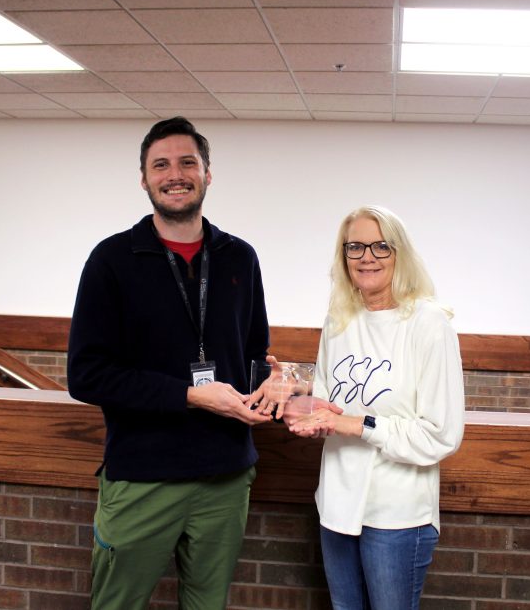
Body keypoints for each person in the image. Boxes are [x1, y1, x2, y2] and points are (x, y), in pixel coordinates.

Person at [67, 116, 272, 609]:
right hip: (143, 477)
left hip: (225, 477)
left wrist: (274, 382)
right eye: (161, 164)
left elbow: (254, 353)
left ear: (207, 173)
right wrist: (189, 394)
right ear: (144, 178)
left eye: (187, 162)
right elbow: (86, 374)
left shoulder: (240, 257)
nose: (174, 174)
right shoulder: (111, 259)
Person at [284, 205, 465, 610]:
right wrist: (297, 396)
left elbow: (441, 434)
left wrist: (358, 425)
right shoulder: (339, 320)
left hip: (397, 515)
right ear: (343, 256)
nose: (367, 256)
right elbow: (331, 405)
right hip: (336, 506)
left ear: (400, 253)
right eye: (355, 247)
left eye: (380, 246)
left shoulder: (429, 324)